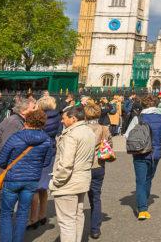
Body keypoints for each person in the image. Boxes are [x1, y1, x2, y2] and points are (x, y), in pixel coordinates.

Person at [0, 96, 35, 242]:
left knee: (0, 200)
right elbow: (9, 147)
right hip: (3, 167)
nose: (35, 110)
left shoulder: (18, 121)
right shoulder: (14, 122)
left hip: (4, 166)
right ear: (24, 110)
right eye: (33, 108)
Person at [0, 107, 54, 242]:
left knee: (6, 213)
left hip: (13, 178)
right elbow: (46, 162)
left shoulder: (15, 137)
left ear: (27, 121)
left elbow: (1, 160)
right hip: (32, 179)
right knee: (22, 214)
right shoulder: (46, 140)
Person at [50, 106, 97, 242]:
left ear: (73, 118)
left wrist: (57, 181)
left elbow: (66, 163)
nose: (62, 121)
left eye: (64, 118)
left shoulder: (71, 135)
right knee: (77, 215)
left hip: (69, 181)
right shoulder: (89, 131)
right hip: (82, 179)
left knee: (67, 222)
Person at [127, 95, 161, 220]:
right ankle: (144, 201)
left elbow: (128, 135)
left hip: (140, 152)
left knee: (140, 180)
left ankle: (142, 209)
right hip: (155, 153)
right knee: (148, 178)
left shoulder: (138, 118)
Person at [27, 94, 60, 230]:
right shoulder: (58, 117)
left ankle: (33, 218)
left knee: (34, 186)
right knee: (43, 187)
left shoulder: (39, 117)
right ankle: (42, 214)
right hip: (51, 149)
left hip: (37, 149)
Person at [81, 101, 110, 241]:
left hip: (81, 167)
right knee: (95, 198)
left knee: (77, 199)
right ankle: (95, 229)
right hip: (98, 166)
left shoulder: (80, 129)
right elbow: (109, 146)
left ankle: (75, 229)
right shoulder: (104, 129)